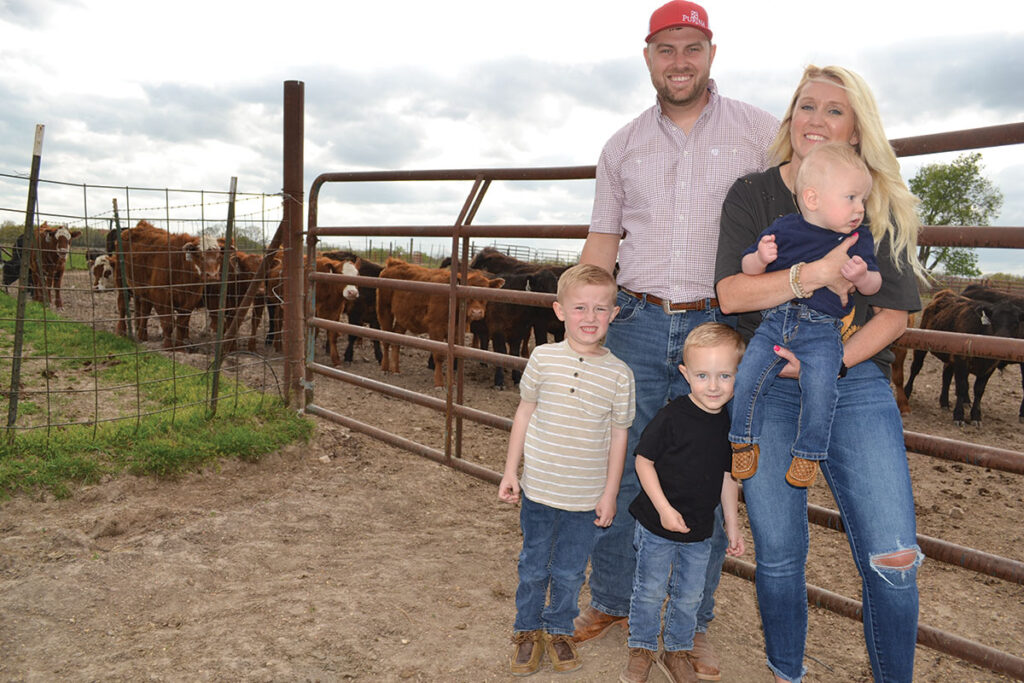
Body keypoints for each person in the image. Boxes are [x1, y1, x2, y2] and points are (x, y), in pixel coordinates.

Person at [576, 1, 777, 676]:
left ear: (712, 52)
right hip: (633, 318)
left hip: (715, 327)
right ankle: (609, 599)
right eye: (666, 49)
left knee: (705, 470)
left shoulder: (759, 133)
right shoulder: (622, 145)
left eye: (691, 47)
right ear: (648, 58)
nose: (679, 61)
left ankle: (690, 625)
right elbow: (603, 241)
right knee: (622, 456)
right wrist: (586, 320)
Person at [714, 65, 926, 683]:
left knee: (895, 555)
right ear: (790, 119)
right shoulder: (753, 194)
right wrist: (810, 277)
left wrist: (831, 363)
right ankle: (787, 672)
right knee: (779, 554)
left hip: (852, 380)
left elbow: (895, 314)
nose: (816, 119)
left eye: (835, 110)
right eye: (806, 106)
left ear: (857, 129)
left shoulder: (873, 201)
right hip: (769, 380)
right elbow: (730, 293)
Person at [498, 263, 636, 676]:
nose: (589, 318)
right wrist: (510, 471)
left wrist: (610, 492)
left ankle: (559, 628)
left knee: (571, 569)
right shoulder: (542, 358)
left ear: (613, 314)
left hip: (585, 496)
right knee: (534, 563)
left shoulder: (619, 375)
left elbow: (619, 437)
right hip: (539, 488)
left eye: (600, 309)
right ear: (559, 311)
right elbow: (524, 414)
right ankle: (526, 629)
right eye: (579, 308)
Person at [729, 143, 881, 488]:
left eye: (862, 200)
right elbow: (747, 267)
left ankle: (808, 453)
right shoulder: (783, 228)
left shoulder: (858, 238)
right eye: (851, 198)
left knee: (822, 386)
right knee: (748, 375)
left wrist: (861, 277)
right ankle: (742, 439)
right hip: (775, 321)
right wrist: (761, 258)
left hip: (822, 330)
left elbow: (874, 284)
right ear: (812, 199)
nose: (859, 208)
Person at [620, 323, 746, 683]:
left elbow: (726, 477)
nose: (713, 385)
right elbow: (643, 461)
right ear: (685, 374)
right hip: (657, 524)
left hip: (700, 530)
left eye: (725, 375)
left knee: (690, 596)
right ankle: (641, 647)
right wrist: (663, 508)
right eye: (703, 375)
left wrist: (732, 526)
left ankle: (676, 650)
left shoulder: (727, 424)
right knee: (649, 590)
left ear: (737, 375)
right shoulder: (672, 416)